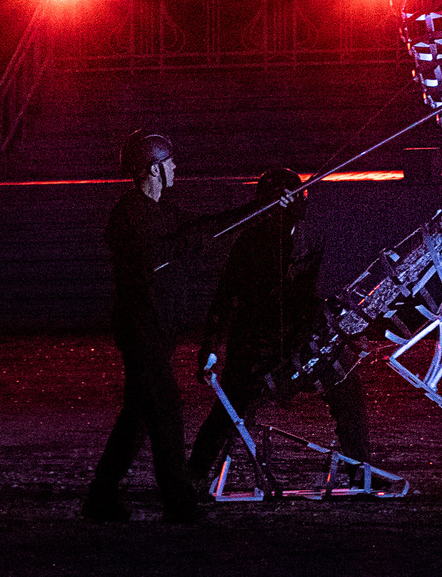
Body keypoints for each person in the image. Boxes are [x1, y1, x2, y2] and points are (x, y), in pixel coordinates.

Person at [84, 131, 289, 524]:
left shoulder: (161, 213)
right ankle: (176, 499)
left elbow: (206, 229)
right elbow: (165, 250)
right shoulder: (129, 214)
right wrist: (189, 242)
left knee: (139, 417)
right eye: (170, 162)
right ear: (154, 168)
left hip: (156, 330)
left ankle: (101, 495)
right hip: (141, 330)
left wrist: (261, 208)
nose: (176, 167)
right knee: (165, 412)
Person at [185, 168, 375, 497]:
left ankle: (360, 473)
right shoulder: (249, 244)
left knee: (347, 387)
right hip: (256, 349)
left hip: (302, 343)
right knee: (230, 407)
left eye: (298, 196)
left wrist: (342, 336)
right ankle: (193, 476)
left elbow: (320, 295)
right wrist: (211, 343)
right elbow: (224, 299)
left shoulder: (312, 237)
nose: (297, 202)